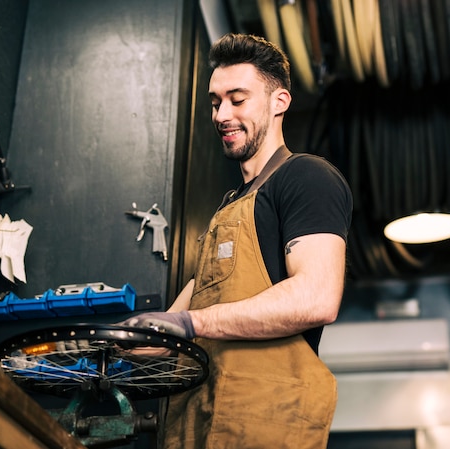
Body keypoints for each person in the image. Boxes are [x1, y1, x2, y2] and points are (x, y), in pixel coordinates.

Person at [120, 33, 353, 449]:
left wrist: (193, 324)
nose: (221, 114)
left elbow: (318, 296)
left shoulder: (306, 178)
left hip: (262, 424)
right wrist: (109, 346)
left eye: (237, 99)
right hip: (198, 421)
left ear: (279, 101)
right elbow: (173, 326)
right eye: (215, 102)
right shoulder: (229, 207)